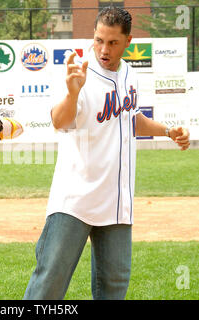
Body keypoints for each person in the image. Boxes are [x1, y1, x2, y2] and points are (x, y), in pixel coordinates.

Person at [23, 7, 190, 300]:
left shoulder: (129, 74)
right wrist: (73, 93)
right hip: (75, 200)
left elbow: (131, 117)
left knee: (113, 288)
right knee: (48, 284)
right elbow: (59, 121)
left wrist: (167, 131)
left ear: (128, 41)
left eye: (112, 43)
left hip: (116, 203)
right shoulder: (80, 72)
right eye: (99, 40)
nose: (103, 49)